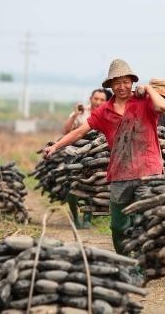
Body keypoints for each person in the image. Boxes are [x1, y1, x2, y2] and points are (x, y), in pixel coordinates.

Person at [45, 59, 165, 254]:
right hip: (121, 172)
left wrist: (148, 89)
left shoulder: (144, 101)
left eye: (126, 81)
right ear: (110, 85)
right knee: (118, 227)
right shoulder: (104, 111)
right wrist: (56, 146)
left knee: (143, 221)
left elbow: (162, 107)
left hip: (149, 170)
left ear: (133, 82)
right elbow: (80, 132)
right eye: (117, 83)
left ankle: (141, 267)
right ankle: (125, 259)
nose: (122, 87)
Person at [61, 88, 107, 229]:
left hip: (96, 155)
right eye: (96, 98)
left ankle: (87, 218)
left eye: (102, 99)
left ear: (106, 101)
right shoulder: (82, 113)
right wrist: (75, 115)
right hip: (74, 153)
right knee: (71, 186)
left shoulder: (107, 114)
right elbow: (65, 131)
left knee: (93, 186)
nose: (98, 102)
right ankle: (75, 217)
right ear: (90, 99)